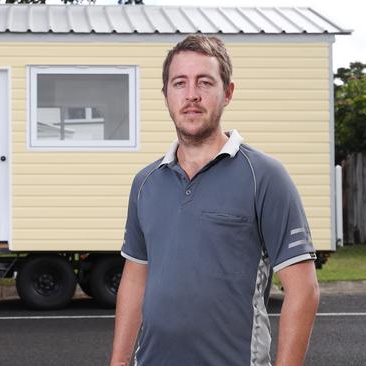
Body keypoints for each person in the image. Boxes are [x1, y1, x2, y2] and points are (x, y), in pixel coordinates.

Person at [110, 35, 320, 366]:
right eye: (179, 83)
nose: (191, 94)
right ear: (166, 95)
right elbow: (136, 278)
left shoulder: (264, 176)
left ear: (228, 93)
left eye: (204, 82)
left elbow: (304, 290)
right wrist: (119, 361)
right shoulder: (145, 183)